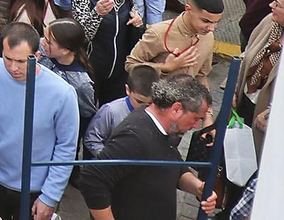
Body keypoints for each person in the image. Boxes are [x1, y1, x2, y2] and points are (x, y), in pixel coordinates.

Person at [0, 22, 79, 220]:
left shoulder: (63, 94)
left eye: (20, 61)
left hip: (33, 189)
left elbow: (66, 148)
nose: (13, 67)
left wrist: (50, 196)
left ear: (37, 56)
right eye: (7, 58)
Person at [79, 74, 219, 220]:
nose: (196, 125)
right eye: (196, 118)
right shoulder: (136, 137)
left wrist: (197, 187)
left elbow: (173, 165)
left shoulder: (165, 128)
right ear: (176, 109)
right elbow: (92, 179)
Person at [66, 0, 142, 104]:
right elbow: (81, 36)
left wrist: (137, 21)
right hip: (91, 67)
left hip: (120, 68)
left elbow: (134, 10)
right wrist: (97, 14)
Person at [126, 0, 224, 84]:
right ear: (188, 9)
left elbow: (201, 76)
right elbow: (131, 65)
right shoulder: (158, 33)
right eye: (205, 21)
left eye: (216, 22)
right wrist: (165, 68)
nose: (211, 28)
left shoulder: (208, 36)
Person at [237, 0, 284, 157]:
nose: (271, 5)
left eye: (277, 4)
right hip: (242, 102)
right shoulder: (270, 22)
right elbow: (246, 55)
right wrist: (233, 89)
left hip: (263, 119)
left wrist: (271, 113)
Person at [86, 63, 158, 159]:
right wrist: (109, 158)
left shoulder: (159, 113)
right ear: (128, 90)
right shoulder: (111, 111)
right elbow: (91, 139)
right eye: (139, 101)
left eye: (150, 103)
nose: (144, 107)